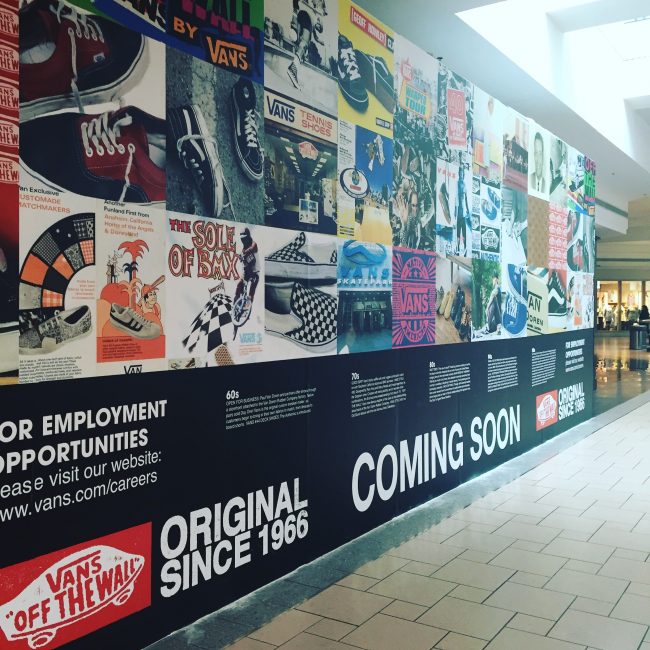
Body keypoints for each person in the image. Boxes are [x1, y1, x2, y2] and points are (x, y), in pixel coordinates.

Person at [287, 0, 326, 90]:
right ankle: (293, 68)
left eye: (318, 28)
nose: (317, 27)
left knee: (302, 43)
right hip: (304, 16)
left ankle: (295, 66)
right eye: (318, 26)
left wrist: (319, 41)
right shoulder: (315, 17)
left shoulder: (312, 25)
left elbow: (315, 36)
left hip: (301, 17)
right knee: (305, 42)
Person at [235, 228, 260, 305]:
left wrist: (243, 254)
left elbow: (251, 249)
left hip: (255, 273)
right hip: (247, 272)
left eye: (244, 238)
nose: (243, 240)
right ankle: (235, 305)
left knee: (251, 294)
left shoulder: (254, 244)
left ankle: (247, 308)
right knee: (239, 286)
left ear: (248, 237)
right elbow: (243, 259)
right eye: (242, 239)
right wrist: (240, 256)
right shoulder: (244, 248)